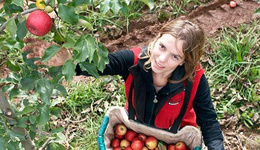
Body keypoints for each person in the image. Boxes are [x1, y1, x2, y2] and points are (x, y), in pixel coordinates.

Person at [23, 19, 224, 149]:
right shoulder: (134, 60)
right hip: (135, 130)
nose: (162, 59)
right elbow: (102, 65)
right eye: (161, 46)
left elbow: (209, 122)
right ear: (156, 39)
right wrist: (70, 61)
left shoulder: (194, 78)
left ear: (184, 61)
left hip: (175, 137)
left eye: (174, 56)